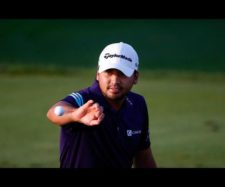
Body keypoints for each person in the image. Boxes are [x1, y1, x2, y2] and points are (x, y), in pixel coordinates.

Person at [46, 42, 157, 168]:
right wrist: (75, 115)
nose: (114, 81)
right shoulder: (84, 99)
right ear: (98, 74)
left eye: (122, 74)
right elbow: (54, 112)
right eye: (108, 72)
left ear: (135, 77)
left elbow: (143, 156)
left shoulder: (138, 104)